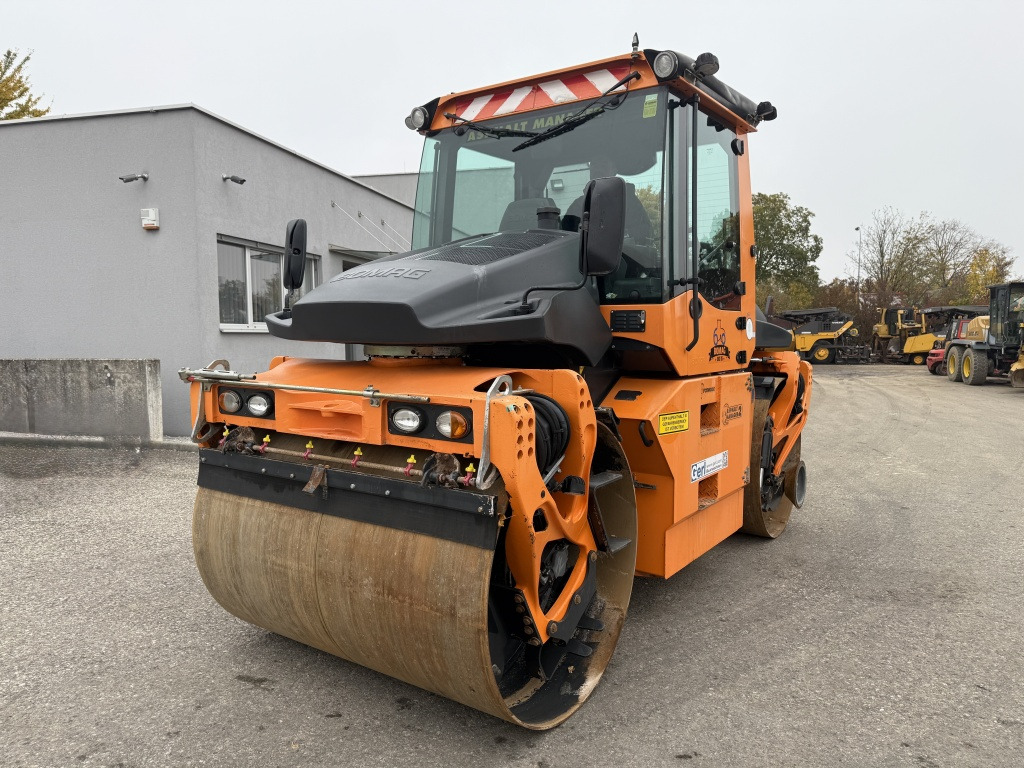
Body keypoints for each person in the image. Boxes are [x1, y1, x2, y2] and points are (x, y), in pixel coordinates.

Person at [564, 157, 654, 243]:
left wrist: (618, 234)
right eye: (595, 165)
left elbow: (646, 232)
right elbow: (564, 236)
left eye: (603, 165)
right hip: (581, 258)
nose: (598, 169)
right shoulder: (578, 205)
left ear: (614, 171)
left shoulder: (628, 201)